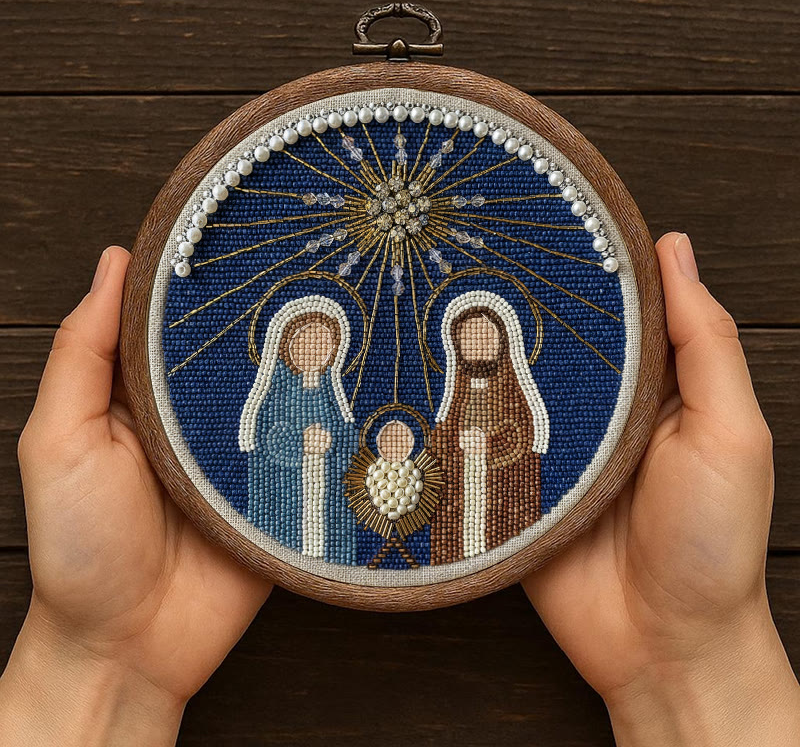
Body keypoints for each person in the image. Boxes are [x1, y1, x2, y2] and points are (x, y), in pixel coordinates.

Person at [0, 233, 798, 745]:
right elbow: (293, 441)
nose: (315, 358)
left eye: (485, 335)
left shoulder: (508, 393)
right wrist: (697, 664)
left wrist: (99, 667)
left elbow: (513, 438)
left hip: (499, 493)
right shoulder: (290, 397)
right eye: (305, 346)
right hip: (293, 496)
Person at [429, 290, 549, 563]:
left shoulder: (515, 394)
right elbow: (441, 442)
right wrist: (454, 446)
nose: (477, 345)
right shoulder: (455, 397)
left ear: (502, 341)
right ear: (457, 346)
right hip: (460, 498)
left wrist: (489, 445)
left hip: (503, 497)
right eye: (469, 338)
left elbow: (523, 437)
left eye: (484, 336)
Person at [238, 295, 359, 563]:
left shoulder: (332, 395)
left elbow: (349, 440)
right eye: (305, 340)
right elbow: (265, 436)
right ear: (286, 345)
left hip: (328, 498)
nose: (315, 349)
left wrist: (333, 444)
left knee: (331, 545)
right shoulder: (275, 392)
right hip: (285, 496)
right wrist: (299, 443)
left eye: (324, 343)